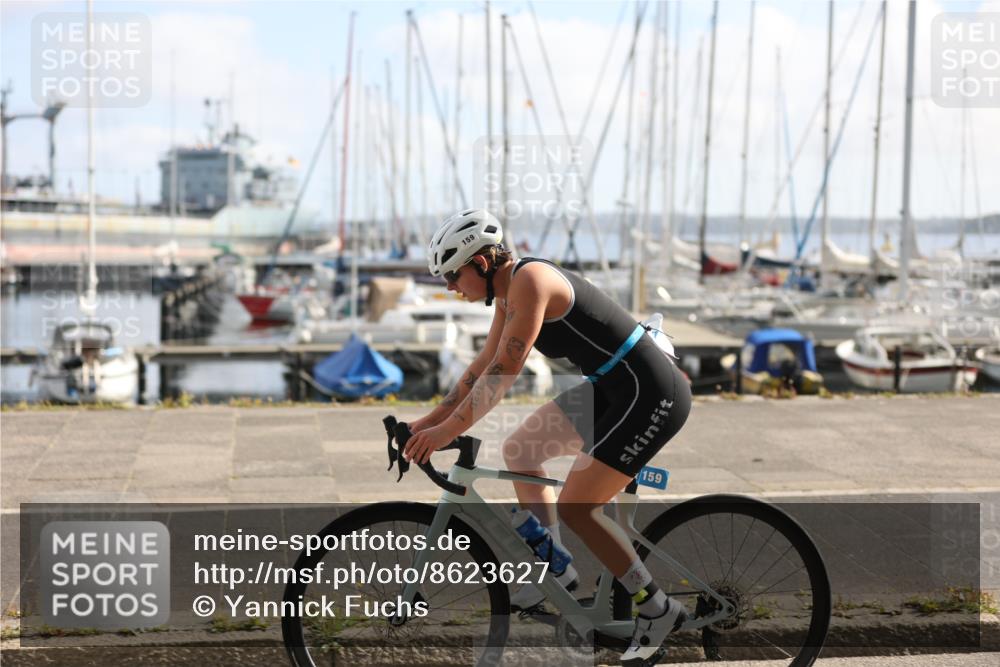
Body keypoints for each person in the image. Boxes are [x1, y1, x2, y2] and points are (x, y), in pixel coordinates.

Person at [404, 209, 692, 665]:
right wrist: (427, 423)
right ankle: (555, 569)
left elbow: (503, 374)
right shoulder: (506, 295)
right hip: (613, 386)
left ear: (479, 263)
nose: (449, 287)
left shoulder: (530, 282)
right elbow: (481, 366)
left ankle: (655, 607)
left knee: (579, 505)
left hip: (650, 391)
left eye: (453, 275)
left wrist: (445, 433)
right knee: (521, 450)